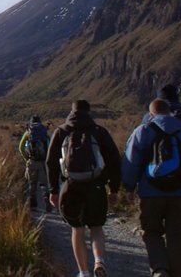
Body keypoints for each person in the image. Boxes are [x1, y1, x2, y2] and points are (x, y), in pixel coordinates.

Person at [123, 99, 181, 276]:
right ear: (170, 112)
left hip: (149, 194)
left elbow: (131, 162)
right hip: (180, 194)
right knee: (178, 237)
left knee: (151, 233)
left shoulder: (142, 132)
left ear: (151, 114)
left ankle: (160, 268)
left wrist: (128, 188)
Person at [47, 100, 122, 277]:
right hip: (95, 186)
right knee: (96, 227)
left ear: (71, 112)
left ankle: (83, 272)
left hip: (71, 187)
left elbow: (51, 163)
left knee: (77, 229)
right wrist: (114, 189)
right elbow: (114, 161)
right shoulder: (99, 132)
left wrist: (53, 190)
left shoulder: (61, 131)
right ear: (89, 112)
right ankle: (99, 261)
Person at [17, 115, 51, 211]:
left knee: (32, 183)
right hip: (43, 162)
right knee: (44, 183)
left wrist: (26, 158)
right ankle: (47, 200)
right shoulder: (44, 131)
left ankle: (33, 206)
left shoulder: (28, 132)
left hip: (31, 161)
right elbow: (50, 145)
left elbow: (21, 147)